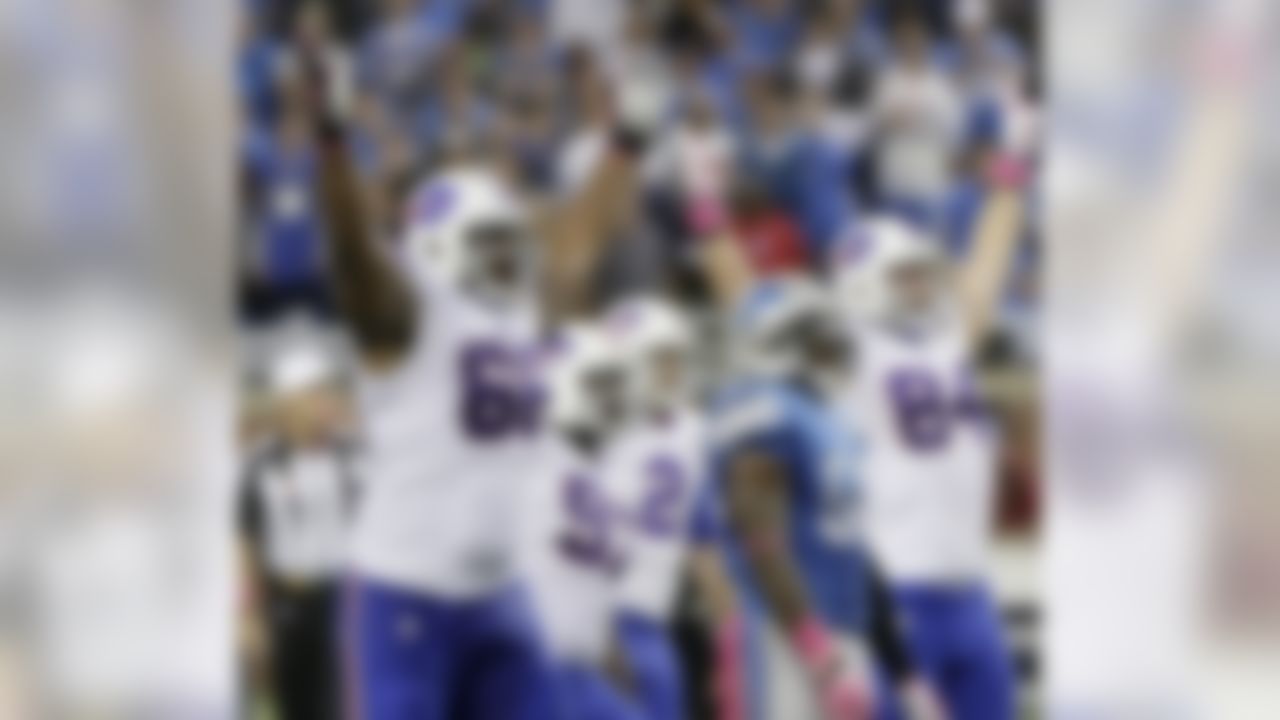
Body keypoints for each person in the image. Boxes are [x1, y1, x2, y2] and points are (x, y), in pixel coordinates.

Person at [304, 51, 640, 718]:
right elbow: (349, 251)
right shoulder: (408, 308)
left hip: (500, 591)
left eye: (510, 243)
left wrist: (630, 143)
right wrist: (334, 145)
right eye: (490, 243)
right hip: (406, 593)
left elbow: (581, 236)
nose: (509, 257)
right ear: (435, 245)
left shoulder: (514, 309)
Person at [707, 277, 939, 720]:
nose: (830, 349)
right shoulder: (757, 405)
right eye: (814, 338)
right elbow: (761, 541)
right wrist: (817, 651)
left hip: (842, 634)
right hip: (779, 635)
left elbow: (855, 553)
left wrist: (906, 674)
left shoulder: (831, 419)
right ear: (776, 342)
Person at [831, 210, 1023, 720]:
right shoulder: (849, 351)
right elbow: (745, 294)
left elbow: (985, 271)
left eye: (922, 272)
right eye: (904, 274)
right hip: (900, 589)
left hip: (972, 586)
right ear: (862, 283)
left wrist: (1015, 163)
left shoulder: (945, 341)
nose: (920, 284)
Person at [525, 323, 642, 720]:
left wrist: (610, 651)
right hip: (529, 670)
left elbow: (587, 583)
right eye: (597, 383)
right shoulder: (523, 458)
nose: (612, 398)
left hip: (583, 672)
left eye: (614, 384)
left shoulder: (596, 471)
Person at [238, 342, 358, 720]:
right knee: (293, 706)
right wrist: (250, 614)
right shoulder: (260, 465)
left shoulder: (351, 457)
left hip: (340, 599)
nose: (323, 404)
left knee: (337, 706)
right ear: (288, 404)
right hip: (286, 602)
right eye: (313, 394)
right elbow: (247, 541)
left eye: (325, 393)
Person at [604, 296, 710, 720]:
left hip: (654, 617)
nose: (673, 371)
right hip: (596, 614)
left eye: (676, 359)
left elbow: (704, 543)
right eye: (660, 359)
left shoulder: (693, 429)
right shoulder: (592, 424)